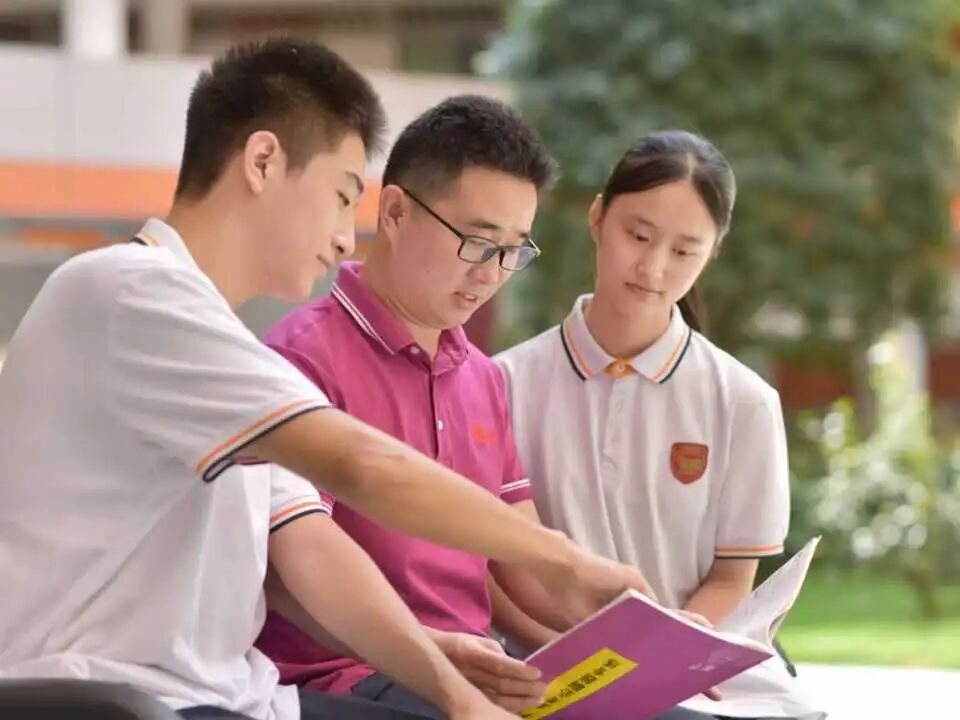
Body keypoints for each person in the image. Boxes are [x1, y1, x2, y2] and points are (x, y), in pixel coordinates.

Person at [0, 38, 653, 720]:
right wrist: (567, 562)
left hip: (238, 700)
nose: (346, 237)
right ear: (263, 161)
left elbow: (309, 550)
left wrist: (445, 677)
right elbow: (364, 464)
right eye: (343, 197)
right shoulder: (129, 292)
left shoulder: (224, 351)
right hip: (111, 699)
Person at [496, 131, 823, 719]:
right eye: (639, 236)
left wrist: (660, 662)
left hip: (688, 678)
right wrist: (572, 665)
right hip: (535, 670)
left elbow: (731, 580)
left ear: (713, 251)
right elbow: (489, 564)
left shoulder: (744, 402)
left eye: (684, 251)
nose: (652, 267)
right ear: (598, 216)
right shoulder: (502, 384)